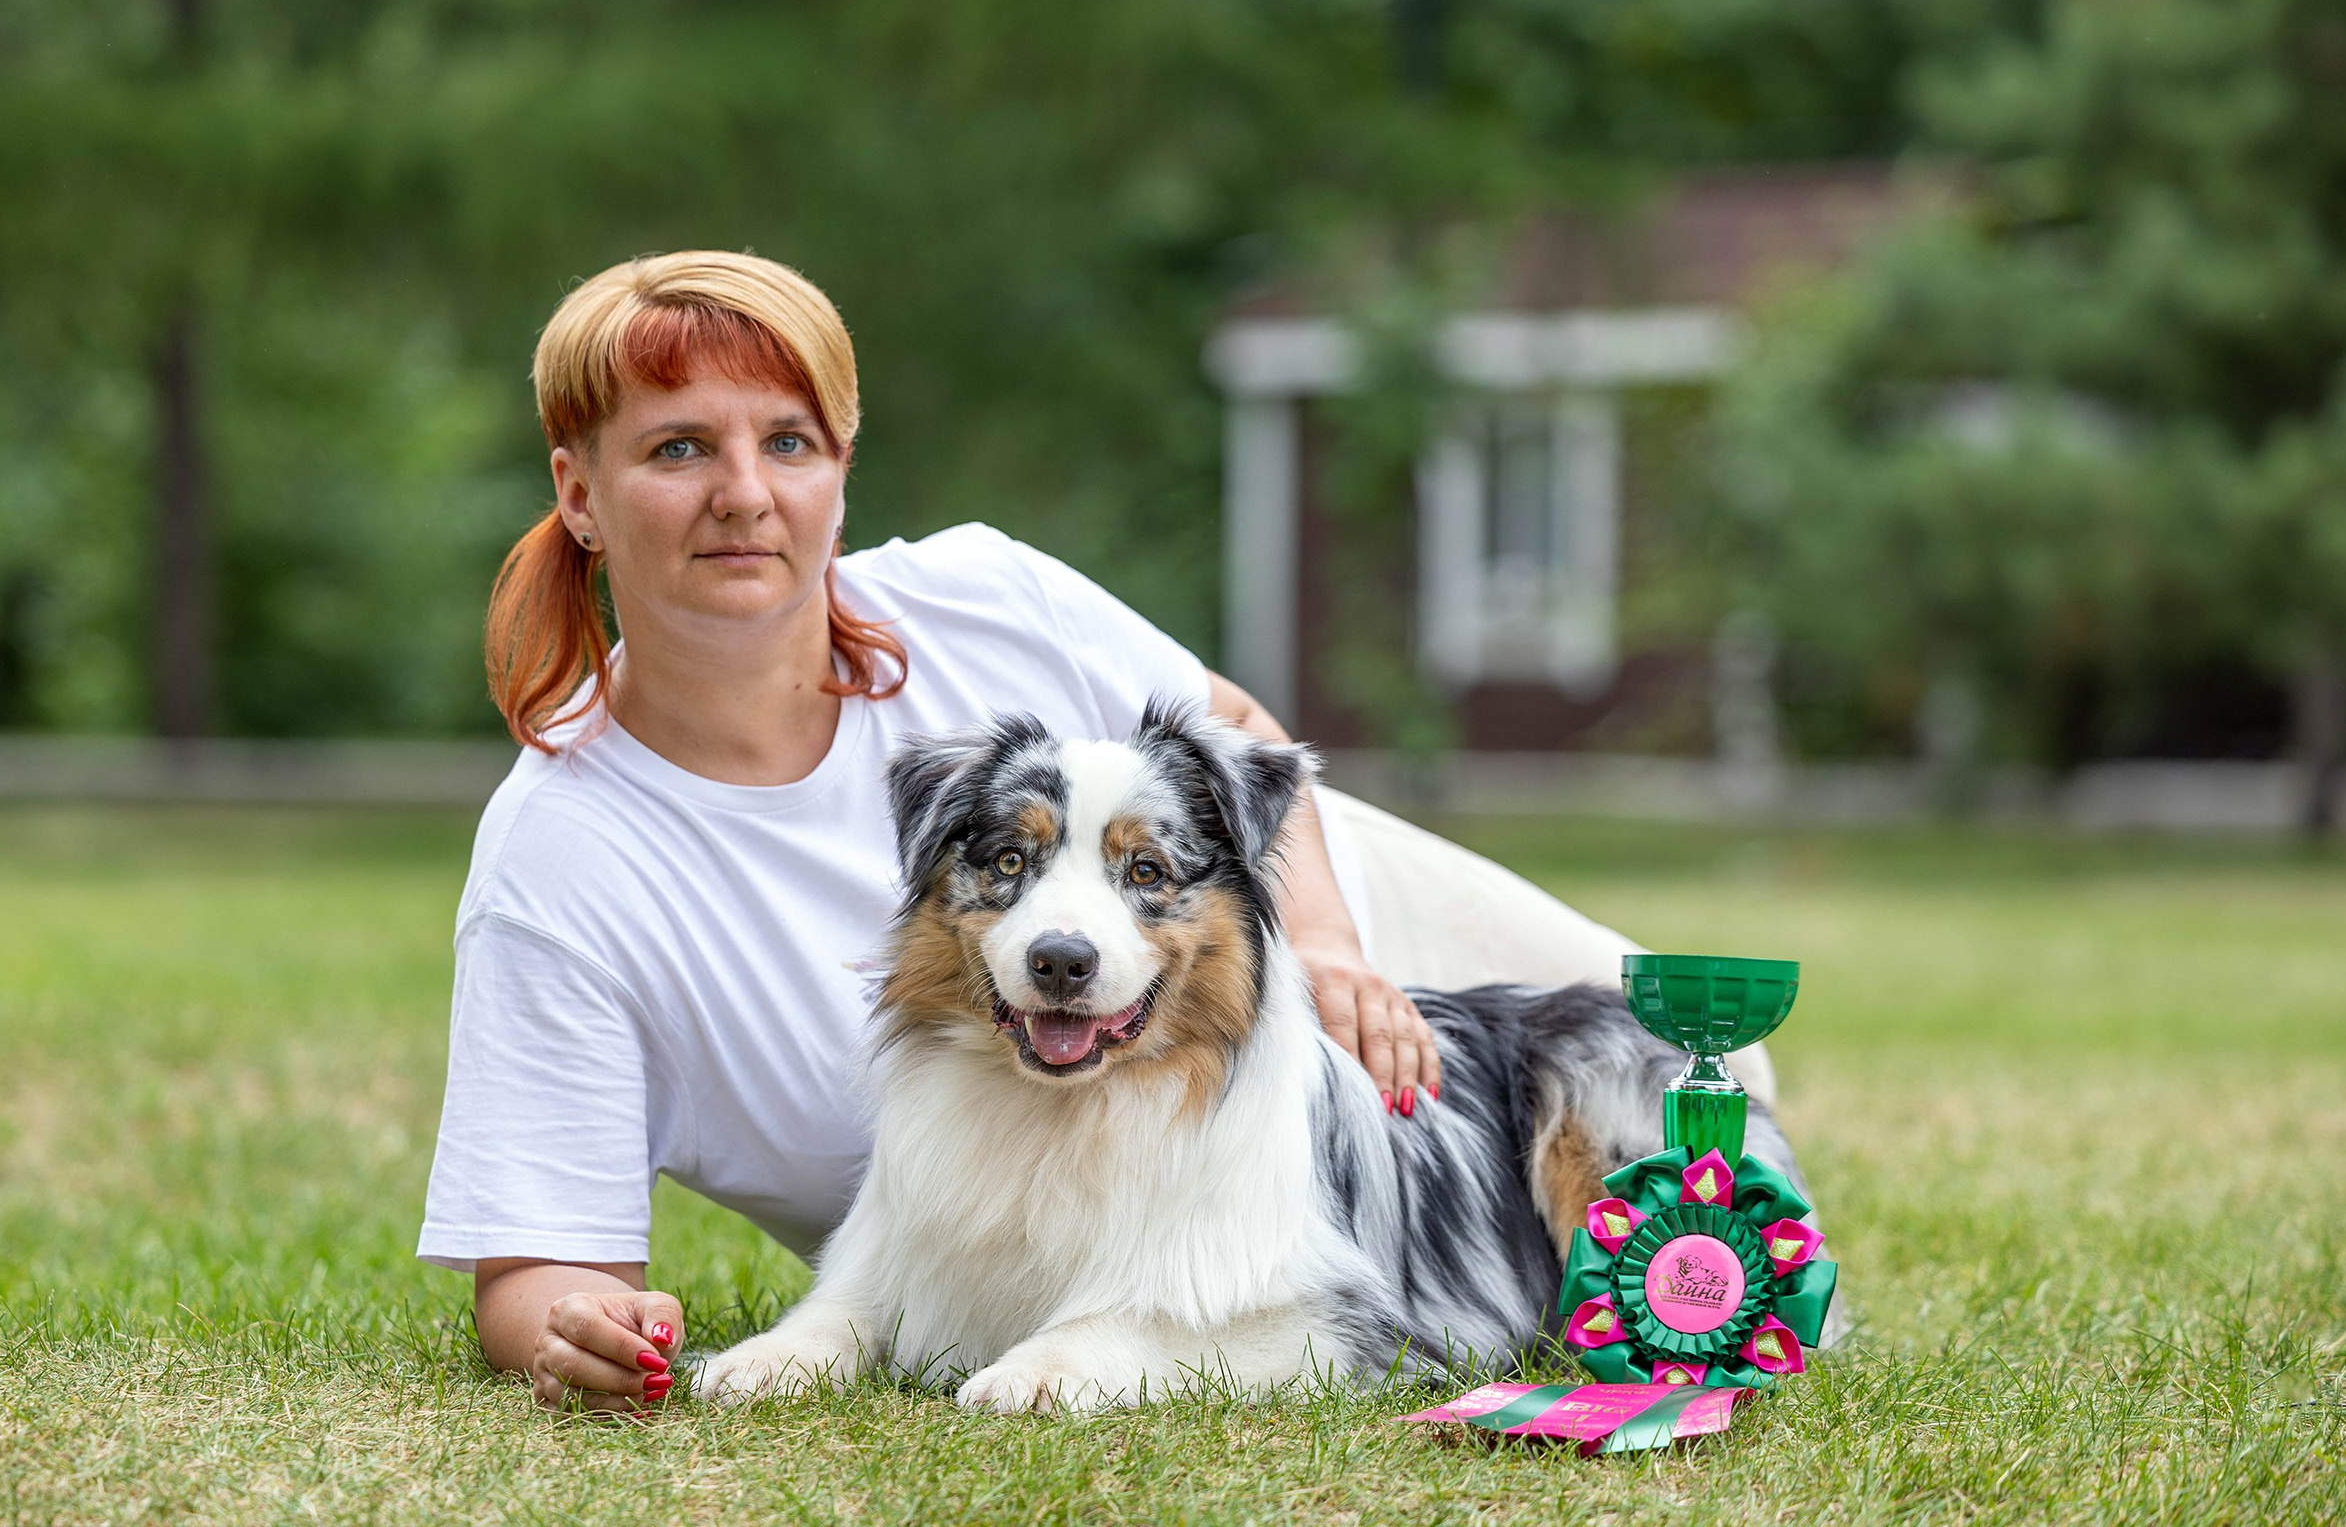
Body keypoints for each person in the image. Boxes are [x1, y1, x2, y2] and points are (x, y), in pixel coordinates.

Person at [418, 251, 1754, 1411]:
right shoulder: (563, 855)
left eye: (788, 440)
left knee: (1705, 1077)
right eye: (677, 447)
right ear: (578, 491)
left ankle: (1699, 1277)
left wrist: (1337, 955)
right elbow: (538, 1255)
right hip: (1015, 1101)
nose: (744, 494)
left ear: (837, 469)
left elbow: (1233, 728)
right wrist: (579, 1332)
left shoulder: (975, 591)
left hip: (1283, 908)